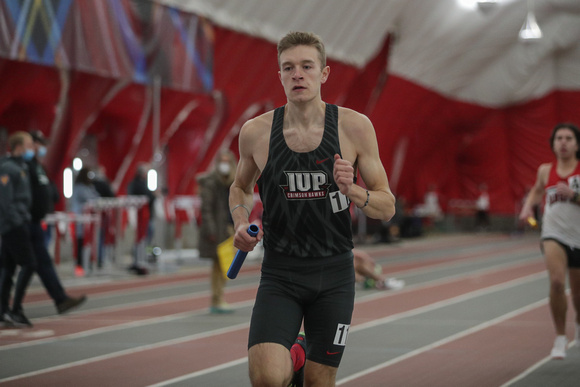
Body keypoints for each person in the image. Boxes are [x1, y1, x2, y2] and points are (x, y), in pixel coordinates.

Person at [229, 31, 396, 387]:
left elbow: (387, 207)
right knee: (267, 379)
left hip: (334, 274)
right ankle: (295, 356)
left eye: (307, 66)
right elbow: (240, 187)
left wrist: (353, 191)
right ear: (279, 76)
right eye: (288, 68)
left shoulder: (354, 127)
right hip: (281, 274)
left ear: (324, 73)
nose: (297, 75)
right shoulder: (256, 132)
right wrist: (240, 221)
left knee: (319, 383)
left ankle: (302, 357)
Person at [10, 131, 87, 322]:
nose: (39, 148)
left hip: (35, 223)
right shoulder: (19, 167)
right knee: (20, 266)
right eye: (35, 144)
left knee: (40, 263)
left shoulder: (37, 166)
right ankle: (13, 308)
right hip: (22, 223)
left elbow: (51, 190)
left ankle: (59, 299)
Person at [519, 122, 580, 360]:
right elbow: (536, 190)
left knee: (578, 294)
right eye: (559, 138)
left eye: (568, 138)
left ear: (577, 144)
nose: (563, 142)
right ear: (553, 144)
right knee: (556, 282)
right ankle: (560, 337)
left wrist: (574, 195)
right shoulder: (545, 170)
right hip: (554, 234)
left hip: (579, 236)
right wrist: (527, 208)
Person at [0, 131, 36, 327]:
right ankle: (15, 309)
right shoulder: (7, 168)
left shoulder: (21, 166)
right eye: (29, 145)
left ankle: (3, 309)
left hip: (19, 222)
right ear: (19, 146)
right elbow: (5, 201)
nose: (32, 149)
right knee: (29, 264)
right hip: (13, 225)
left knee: (7, 267)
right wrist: (16, 220)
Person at [196, 149, 238, 314]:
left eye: (228, 161)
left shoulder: (234, 182)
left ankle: (220, 297)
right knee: (218, 265)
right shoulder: (211, 183)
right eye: (222, 161)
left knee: (226, 265)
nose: (225, 165)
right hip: (217, 230)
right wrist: (211, 230)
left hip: (230, 228)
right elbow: (206, 209)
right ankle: (217, 298)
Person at [70, 167, 100, 276]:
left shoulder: (89, 186)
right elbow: (90, 198)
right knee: (80, 242)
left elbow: (96, 197)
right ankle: (79, 265)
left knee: (88, 243)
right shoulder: (79, 187)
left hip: (88, 220)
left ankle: (88, 264)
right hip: (80, 219)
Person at [127, 163, 156, 275]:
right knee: (143, 239)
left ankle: (142, 259)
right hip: (142, 217)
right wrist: (153, 195)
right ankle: (140, 260)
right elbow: (149, 197)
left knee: (144, 239)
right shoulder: (139, 184)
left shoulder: (137, 183)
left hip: (144, 216)